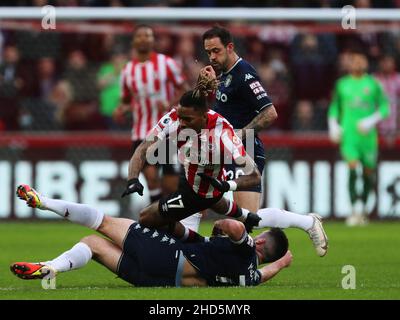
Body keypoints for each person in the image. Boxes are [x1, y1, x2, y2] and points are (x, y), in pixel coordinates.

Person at [122, 87, 328, 256]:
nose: (181, 123)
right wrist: (133, 178)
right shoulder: (176, 117)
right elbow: (143, 148)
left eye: (187, 120)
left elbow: (253, 173)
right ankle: (207, 245)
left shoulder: (224, 133)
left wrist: (227, 185)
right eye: (180, 117)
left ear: (203, 117)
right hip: (197, 177)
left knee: (245, 218)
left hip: (229, 162)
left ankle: (307, 222)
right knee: (190, 242)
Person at [11, 183, 292, 287]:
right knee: (93, 245)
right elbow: (264, 274)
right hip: (155, 280)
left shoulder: (245, 247)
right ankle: (51, 267)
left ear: (262, 242)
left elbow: (238, 229)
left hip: (167, 258)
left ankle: (43, 202)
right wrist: (281, 263)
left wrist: (223, 225)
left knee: (102, 222)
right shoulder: (252, 276)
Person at [200, 26, 278, 215]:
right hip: (224, 150)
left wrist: (241, 133)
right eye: (208, 52)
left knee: (246, 220)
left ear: (230, 47)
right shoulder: (224, 75)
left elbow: (270, 113)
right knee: (228, 220)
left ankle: (306, 222)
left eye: (216, 51)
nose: (211, 57)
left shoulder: (244, 74)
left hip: (246, 150)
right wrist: (204, 89)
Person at [114, 24, 189, 207]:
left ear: (153, 40)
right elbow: (125, 100)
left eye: (148, 36)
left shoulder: (167, 64)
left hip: (168, 131)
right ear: (134, 41)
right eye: (140, 36)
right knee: (151, 179)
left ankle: (171, 218)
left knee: (170, 185)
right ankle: (159, 221)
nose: (144, 39)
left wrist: (171, 103)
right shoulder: (127, 71)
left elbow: (184, 90)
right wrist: (122, 109)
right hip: (141, 132)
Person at [328, 51, 390, 226]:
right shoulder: (342, 84)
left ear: (366, 63)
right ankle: (354, 209)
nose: (357, 63)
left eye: (360, 60)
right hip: (350, 136)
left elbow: (385, 107)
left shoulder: (373, 84)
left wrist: (371, 120)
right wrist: (333, 125)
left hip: (368, 137)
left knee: (369, 174)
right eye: (354, 60)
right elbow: (334, 107)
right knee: (353, 169)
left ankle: (364, 207)